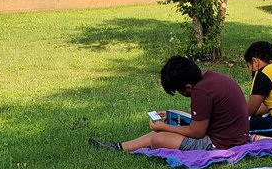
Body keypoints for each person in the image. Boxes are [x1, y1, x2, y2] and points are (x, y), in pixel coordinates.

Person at [90, 56, 249, 152]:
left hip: (222, 144)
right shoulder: (210, 78)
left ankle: (120, 147)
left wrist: (164, 127)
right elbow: (204, 116)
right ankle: (120, 147)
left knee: (158, 139)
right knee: (162, 133)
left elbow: (198, 132)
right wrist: (173, 116)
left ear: (187, 87)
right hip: (231, 135)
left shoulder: (201, 91)